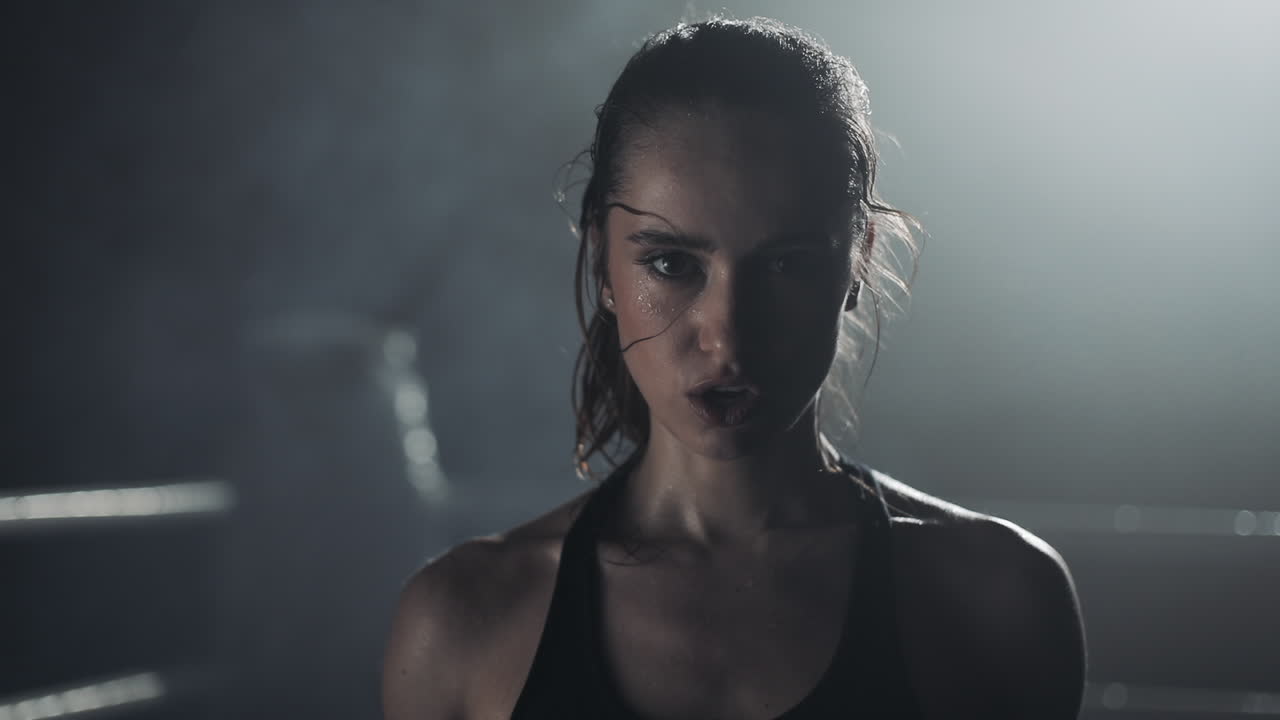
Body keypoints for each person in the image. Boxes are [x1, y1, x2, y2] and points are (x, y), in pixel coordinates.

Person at [383, 16, 1086, 719]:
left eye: (787, 264)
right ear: (603, 260)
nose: (727, 337)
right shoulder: (462, 626)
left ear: (859, 261)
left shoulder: (997, 602)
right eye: (671, 264)